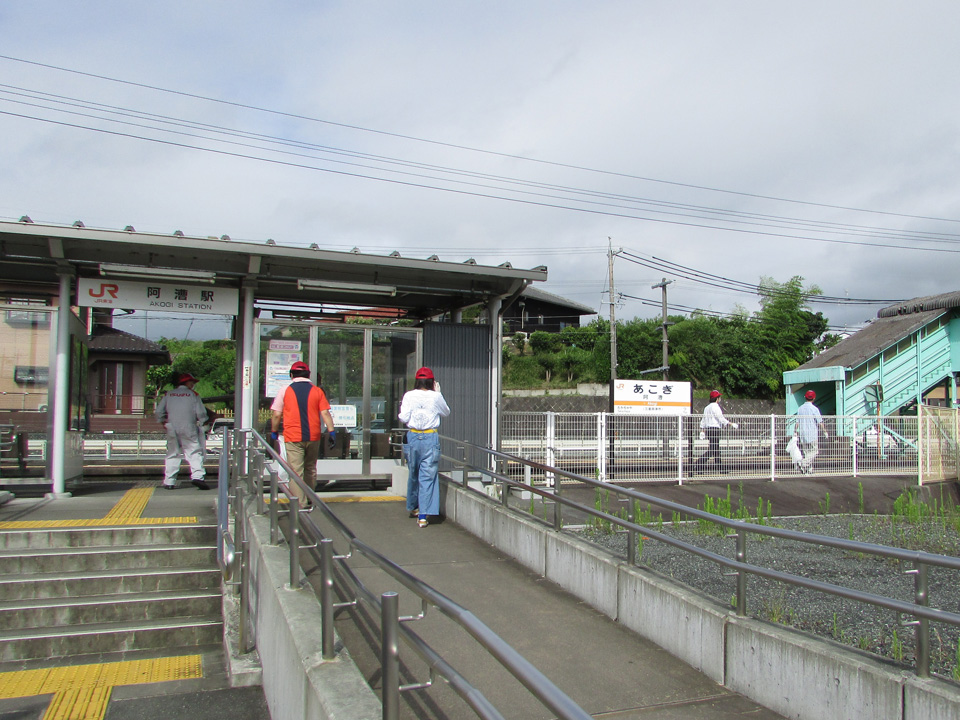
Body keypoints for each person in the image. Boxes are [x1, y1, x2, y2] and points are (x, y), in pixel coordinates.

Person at [270, 361, 336, 507]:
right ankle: (310, 497)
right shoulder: (317, 391)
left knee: (296, 470)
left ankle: (300, 503)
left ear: (291, 375)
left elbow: (276, 415)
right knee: (310, 468)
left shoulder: (285, 390)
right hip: (313, 436)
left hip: (293, 437)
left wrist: (274, 432)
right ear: (308, 375)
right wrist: (332, 432)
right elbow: (325, 412)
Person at [398, 367, 450, 528]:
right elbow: (446, 412)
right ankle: (422, 516)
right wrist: (438, 394)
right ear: (432, 382)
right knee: (427, 476)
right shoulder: (435, 396)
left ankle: (413, 506)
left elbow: (403, 417)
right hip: (430, 437)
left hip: (412, 436)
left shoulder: (408, 395)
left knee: (413, 473)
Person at [155, 372, 209, 490]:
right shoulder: (193, 395)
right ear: (187, 382)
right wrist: (203, 421)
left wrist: (163, 421)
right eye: (192, 382)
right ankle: (198, 477)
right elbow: (201, 413)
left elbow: (159, 412)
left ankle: (169, 481)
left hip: (171, 426)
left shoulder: (169, 394)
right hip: (188, 426)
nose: (193, 384)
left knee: (172, 453)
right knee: (193, 452)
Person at [692, 390, 738, 475]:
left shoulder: (707, 408)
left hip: (709, 429)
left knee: (715, 450)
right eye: (719, 397)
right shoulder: (715, 407)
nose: (720, 398)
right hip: (715, 429)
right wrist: (730, 423)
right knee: (713, 450)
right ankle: (698, 464)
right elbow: (720, 418)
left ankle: (719, 468)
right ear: (717, 398)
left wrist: (702, 430)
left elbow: (704, 420)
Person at [794, 390, 827, 474]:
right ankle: (803, 463)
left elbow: (797, 422)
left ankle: (809, 470)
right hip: (812, 434)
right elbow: (820, 422)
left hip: (802, 434)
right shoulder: (814, 409)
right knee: (814, 451)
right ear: (814, 398)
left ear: (805, 397)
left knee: (807, 452)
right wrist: (825, 432)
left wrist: (795, 432)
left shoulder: (800, 408)